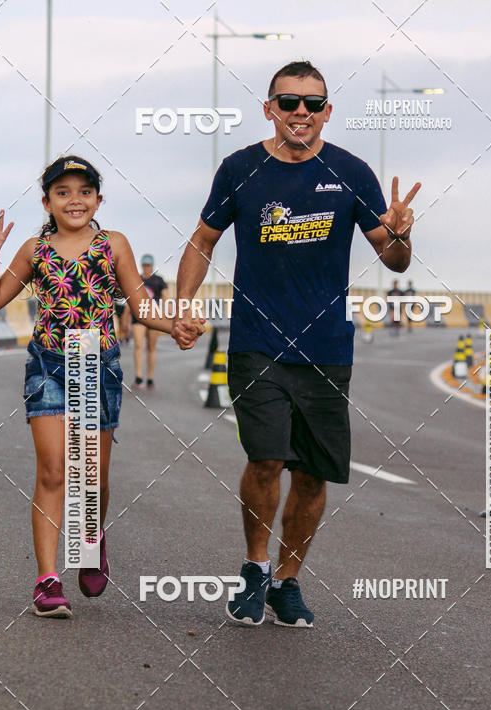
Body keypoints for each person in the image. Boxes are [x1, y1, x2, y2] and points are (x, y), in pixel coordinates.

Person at [174, 60, 419, 628]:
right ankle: (255, 568)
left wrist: (403, 233)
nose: (300, 113)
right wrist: (184, 304)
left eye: (312, 104)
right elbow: (202, 239)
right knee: (266, 458)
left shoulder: (351, 172)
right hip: (257, 342)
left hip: (328, 348)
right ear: (270, 109)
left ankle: (288, 581)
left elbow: (392, 256)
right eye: (288, 103)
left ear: (327, 111)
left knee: (312, 473)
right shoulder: (240, 169)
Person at [0, 156, 192, 618]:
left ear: (98, 199)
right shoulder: (33, 250)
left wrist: (176, 326)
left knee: (92, 478)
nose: (74, 200)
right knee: (53, 470)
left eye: (84, 191)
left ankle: (90, 541)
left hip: (97, 367)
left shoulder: (114, 244)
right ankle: (47, 580)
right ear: (47, 202)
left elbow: (141, 308)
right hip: (47, 366)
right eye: (62, 192)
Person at [132, 254, 168, 389]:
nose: (147, 267)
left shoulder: (159, 280)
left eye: (149, 265)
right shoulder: (137, 280)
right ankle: (139, 376)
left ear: (152, 266)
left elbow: (165, 297)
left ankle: (150, 377)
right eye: (145, 265)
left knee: (151, 348)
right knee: (138, 344)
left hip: (154, 316)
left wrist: (167, 313)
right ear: (142, 265)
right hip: (138, 315)